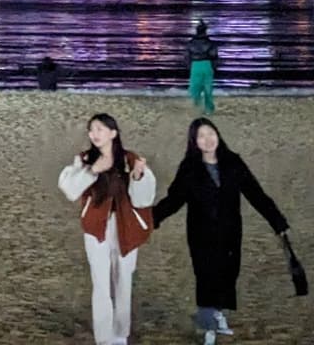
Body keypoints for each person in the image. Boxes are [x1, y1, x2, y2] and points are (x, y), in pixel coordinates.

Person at [153, 118, 290, 344]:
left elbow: (256, 194)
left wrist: (277, 222)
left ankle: (218, 315)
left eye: (211, 133)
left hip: (230, 230)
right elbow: (174, 200)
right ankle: (208, 327)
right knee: (206, 275)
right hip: (201, 233)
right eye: (201, 136)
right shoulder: (189, 168)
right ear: (194, 142)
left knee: (228, 273)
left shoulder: (232, 162)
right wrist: (150, 219)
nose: (208, 139)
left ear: (218, 134)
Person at [58, 113, 156, 345]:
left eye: (100, 129)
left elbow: (143, 200)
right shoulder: (84, 159)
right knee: (100, 283)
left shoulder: (130, 159)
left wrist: (139, 176)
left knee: (123, 280)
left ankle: (121, 334)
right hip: (96, 228)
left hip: (126, 226)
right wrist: (92, 171)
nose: (94, 134)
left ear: (113, 133)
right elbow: (69, 189)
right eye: (92, 129)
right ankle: (104, 338)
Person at [187, 20, 220, 114]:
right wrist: (214, 67)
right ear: (205, 31)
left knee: (194, 86)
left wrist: (189, 67)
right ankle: (209, 109)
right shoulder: (210, 43)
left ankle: (196, 102)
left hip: (195, 65)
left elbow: (186, 57)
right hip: (207, 64)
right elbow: (214, 56)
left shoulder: (190, 43)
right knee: (208, 88)